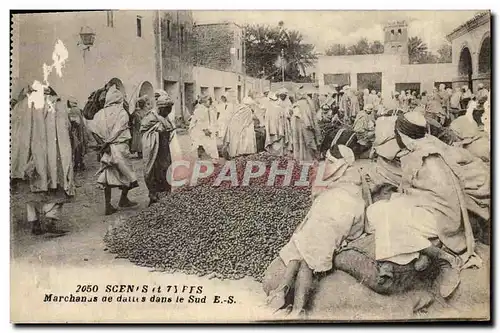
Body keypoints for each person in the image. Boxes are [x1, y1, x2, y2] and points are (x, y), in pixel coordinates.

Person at [367, 111, 477, 299]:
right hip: (439, 209)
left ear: (401, 135)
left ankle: (441, 258)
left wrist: (400, 198)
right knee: (380, 210)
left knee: (385, 216)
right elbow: (422, 191)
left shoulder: (419, 156)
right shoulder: (430, 144)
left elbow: (424, 193)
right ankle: (418, 254)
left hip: (441, 218)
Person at [266, 144, 368, 318]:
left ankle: (294, 303)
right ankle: (286, 295)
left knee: (307, 255)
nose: (325, 164)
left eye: (330, 161)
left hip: (342, 221)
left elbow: (349, 208)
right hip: (327, 219)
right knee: (305, 240)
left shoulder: (351, 179)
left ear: (340, 164)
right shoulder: (340, 174)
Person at [11, 84, 75, 234]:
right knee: (57, 186)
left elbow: (15, 131)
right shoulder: (57, 105)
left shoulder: (22, 106)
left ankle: (35, 223)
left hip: (32, 154)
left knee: (32, 188)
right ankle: (51, 221)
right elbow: (66, 127)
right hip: (54, 156)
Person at [89, 86, 138, 215]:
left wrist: (102, 143)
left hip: (106, 149)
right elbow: (119, 129)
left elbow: (93, 130)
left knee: (107, 176)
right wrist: (107, 143)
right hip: (120, 147)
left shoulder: (99, 114)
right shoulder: (122, 112)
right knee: (128, 174)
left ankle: (108, 205)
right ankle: (123, 199)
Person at [141, 94, 175, 206]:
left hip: (164, 149)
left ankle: (165, 195)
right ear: (160, 108)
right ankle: (153, 196)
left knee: (165, 169)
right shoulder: (150, 117)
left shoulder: (164, 117)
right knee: (153, 171)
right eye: (166, 110)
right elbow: (144, 130)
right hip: (154, 150)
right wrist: (157, 131)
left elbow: (169, 127)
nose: (167, 113)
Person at [290, 90, 321, 161]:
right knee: (308, 141)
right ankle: (309, 157)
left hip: (300, 125)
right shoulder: (309, 103)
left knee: (301, 142)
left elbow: (297, 115)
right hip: (307, 125)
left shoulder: (297, 104)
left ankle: (302, 157)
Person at [189, 95, 219, 160]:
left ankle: (211, 158)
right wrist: (204, 130)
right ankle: (201, 158)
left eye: (211, 101)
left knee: (211, 144)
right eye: (209, 101)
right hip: (200, 130)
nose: (210, 102)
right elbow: (199, 121)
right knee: (201, 143)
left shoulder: (211, 110)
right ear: (204, 102)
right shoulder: (199, 110)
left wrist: (216, 129)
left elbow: (214, 121)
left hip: (210, 129)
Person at [67, 96, 88, 172]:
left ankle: (77, 165)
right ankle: (81, 164)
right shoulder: (78, 110)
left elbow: (75, 122)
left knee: (76, 148)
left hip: (75, 132)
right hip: (80, 131)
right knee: (79, 148)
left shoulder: (72, 110)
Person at [264, 92, 287, 156]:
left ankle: (274, 153)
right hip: (278, 127)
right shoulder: (279, 108)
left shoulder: (269, 109)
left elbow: (266, 119)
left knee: (273, 140)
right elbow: (283, 118)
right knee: (278, 140)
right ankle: (279, 153)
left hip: (272, 128)